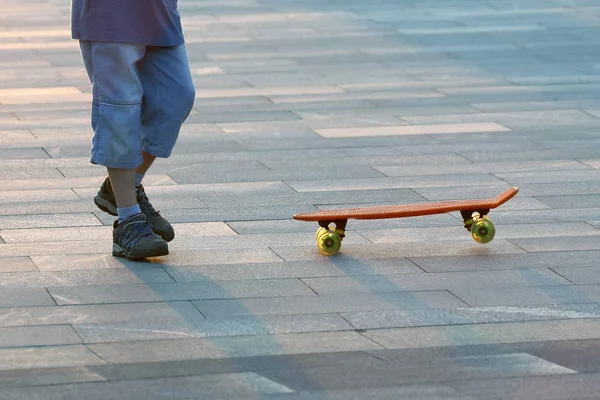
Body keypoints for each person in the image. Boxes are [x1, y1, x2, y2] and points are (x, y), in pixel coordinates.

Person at [71, 0, 196, 259]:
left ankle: (121, 188)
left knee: (176, 99)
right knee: (120, 109)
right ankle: (128, 220)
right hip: (109, 15)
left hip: (159, 13)